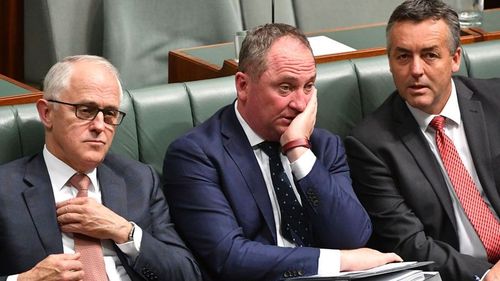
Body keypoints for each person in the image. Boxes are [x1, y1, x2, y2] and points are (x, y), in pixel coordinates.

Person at [163, 23, 401, 281]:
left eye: (308, 86)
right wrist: (339, 261)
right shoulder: (196, 155)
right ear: (243, 86)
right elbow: (229, 257)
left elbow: (352, 236)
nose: (300, 104)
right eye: (285, 88)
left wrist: (298, 150)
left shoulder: (322, 146)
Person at [0, 55, 202, 281]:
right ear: (47, 113)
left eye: (109, 114)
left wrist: (125, 232)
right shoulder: (5, 189)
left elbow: (187, 275)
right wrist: (26, 280)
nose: (99, 126)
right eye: (85, 110)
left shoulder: (140, 180)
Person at [344, 0, 500, 280]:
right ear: (389, 61)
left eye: (429, 55)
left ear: (455, 59)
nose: (415, 70)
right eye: (403, 56)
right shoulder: (370, 145)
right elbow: (408, 244)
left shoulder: (496, 102)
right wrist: (487, 274)